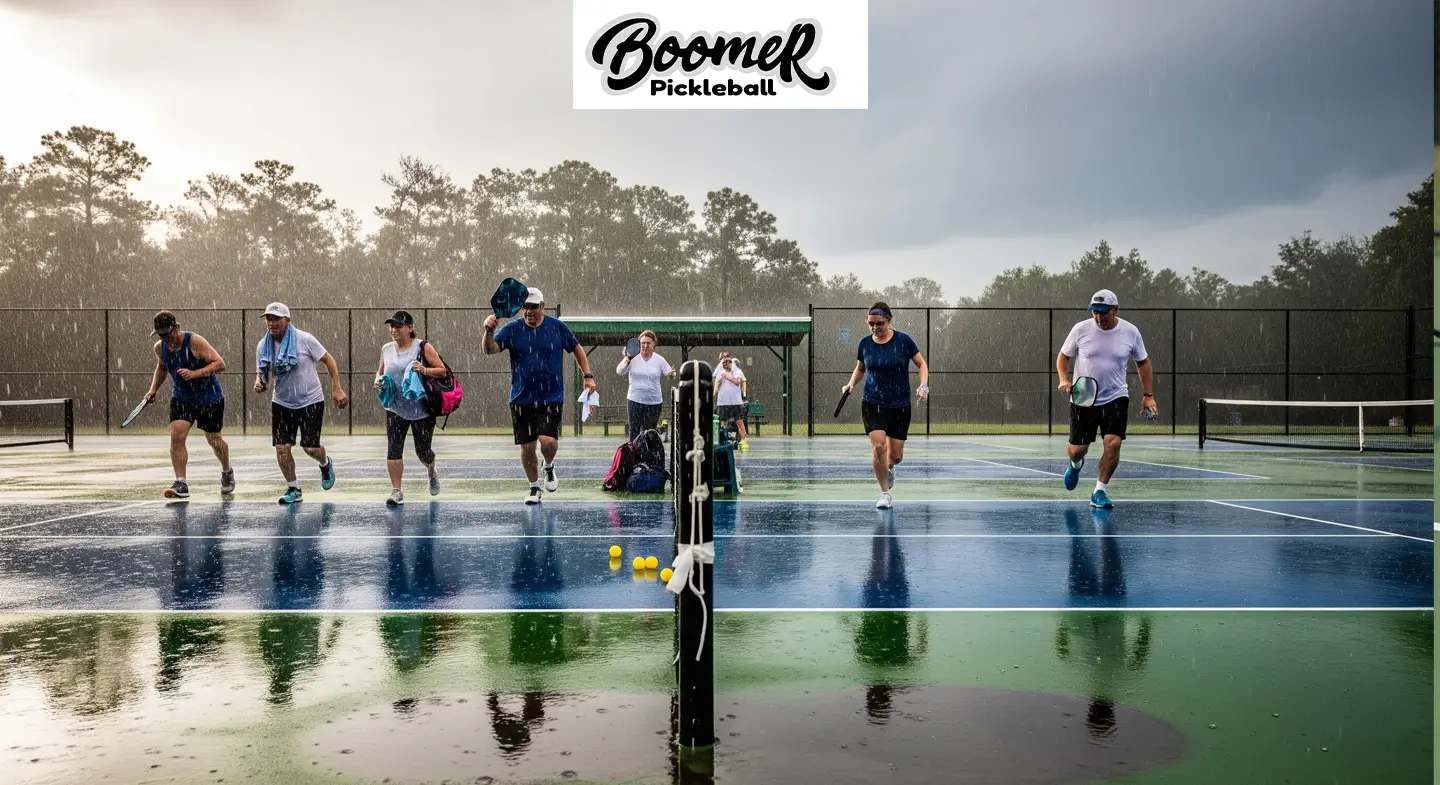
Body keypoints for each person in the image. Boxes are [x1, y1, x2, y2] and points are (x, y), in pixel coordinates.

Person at [483, 287, 598, 504]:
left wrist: (588, 376)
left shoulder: (557, 327)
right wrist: (488, 331)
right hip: (520, 398)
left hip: (551, 397)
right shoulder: (512, 329)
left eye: (534, 307)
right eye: (525, 307)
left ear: (543, 307)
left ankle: (548, 465)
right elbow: (490, 350)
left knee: (548, 443)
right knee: (527, 448)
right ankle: (534, 488)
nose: (529, 311)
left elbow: (577, 349)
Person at [1055, 289, 1158, 509]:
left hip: (1116, 396)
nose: (1099, 317)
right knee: (1077, 449)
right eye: (1095, 312)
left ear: (1115, 309)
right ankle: (1075, 464)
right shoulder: (1081, 329)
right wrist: (1064, 379)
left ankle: (1099, 491)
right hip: (1083, 397)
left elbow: (1143, 362)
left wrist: (1148, 395)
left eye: (1104, 312)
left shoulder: (1131, 332)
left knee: (1113, 443)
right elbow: (1063, 356)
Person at [254, 302, 349, 504]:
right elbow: (262, 373)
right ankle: (294, 488)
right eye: (269, 319)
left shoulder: (304, 339)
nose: (272, 323)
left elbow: (329, 360)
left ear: (287, 320)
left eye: (276, 319)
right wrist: (259, 382)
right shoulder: (263, 346)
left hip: (310, 401)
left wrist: (336, 388)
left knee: (310, 448)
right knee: (281, 448)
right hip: (281, 402)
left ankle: (325, 463)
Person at [841, 302, 929, 509]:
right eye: (871, 323)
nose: (875, 327)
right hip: (872, 402)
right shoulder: (864, 343)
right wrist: (851, 383)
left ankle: (889, 468)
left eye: (879, 323)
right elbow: (860, 368)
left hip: (899, 404)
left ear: (889, 320)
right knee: (878, 446)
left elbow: (921, 364)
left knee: (895, 457)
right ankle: (884, 493)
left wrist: (924, 385)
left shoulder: (903, 341)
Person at [142, 311, 234, 498]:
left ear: (176, 328)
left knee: (214, 441)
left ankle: (227, 471)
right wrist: (153, 390)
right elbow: (161, 367)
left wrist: (195, 373)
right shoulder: (160, 348)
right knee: (177, 435)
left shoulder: (195, 342)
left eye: (168, 334)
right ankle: (181, 483)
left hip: (210, 398)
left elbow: (220, 363)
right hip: (182, 398)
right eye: (161, 335)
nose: (166, 339)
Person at [372, 310, 444, 506]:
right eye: (391, 326)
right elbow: (380, 372)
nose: (394, 330)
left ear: (410, 328)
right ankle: (397, 491)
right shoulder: (386, 349)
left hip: (422, 410)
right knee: (393, 449)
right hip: (395, 409)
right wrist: (378, 381)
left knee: (423, 452)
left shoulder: (422, 347)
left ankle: (431, 469)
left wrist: (424, 369)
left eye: (398, 326)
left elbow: (442, 370)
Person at [615, 329, 673, 438]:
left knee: (650, 433)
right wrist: (627, 359)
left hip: (654, 403)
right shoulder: (632, 357)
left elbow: (669, 373)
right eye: (643, 343)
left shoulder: (659, 359)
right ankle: (634, 454)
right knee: (634, 431)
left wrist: (672, 374)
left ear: (653, 345)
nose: (645, 346)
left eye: (648, 343)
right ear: (639, 344)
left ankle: (648, 455)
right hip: (635, 401)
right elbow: (619, 371)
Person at [714, 351, 749, 449]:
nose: (726, 363)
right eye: (724, 362)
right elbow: (716, 387)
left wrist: (729, 377)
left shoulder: (737, 370)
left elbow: (738, 382)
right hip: (723, 403)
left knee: (739, 422)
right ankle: (724, 441)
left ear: (731, 361)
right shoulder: (719, 372)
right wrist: (713, 392)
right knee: (723, 423)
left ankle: (744, 440)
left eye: (728, 361)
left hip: (736, 402)